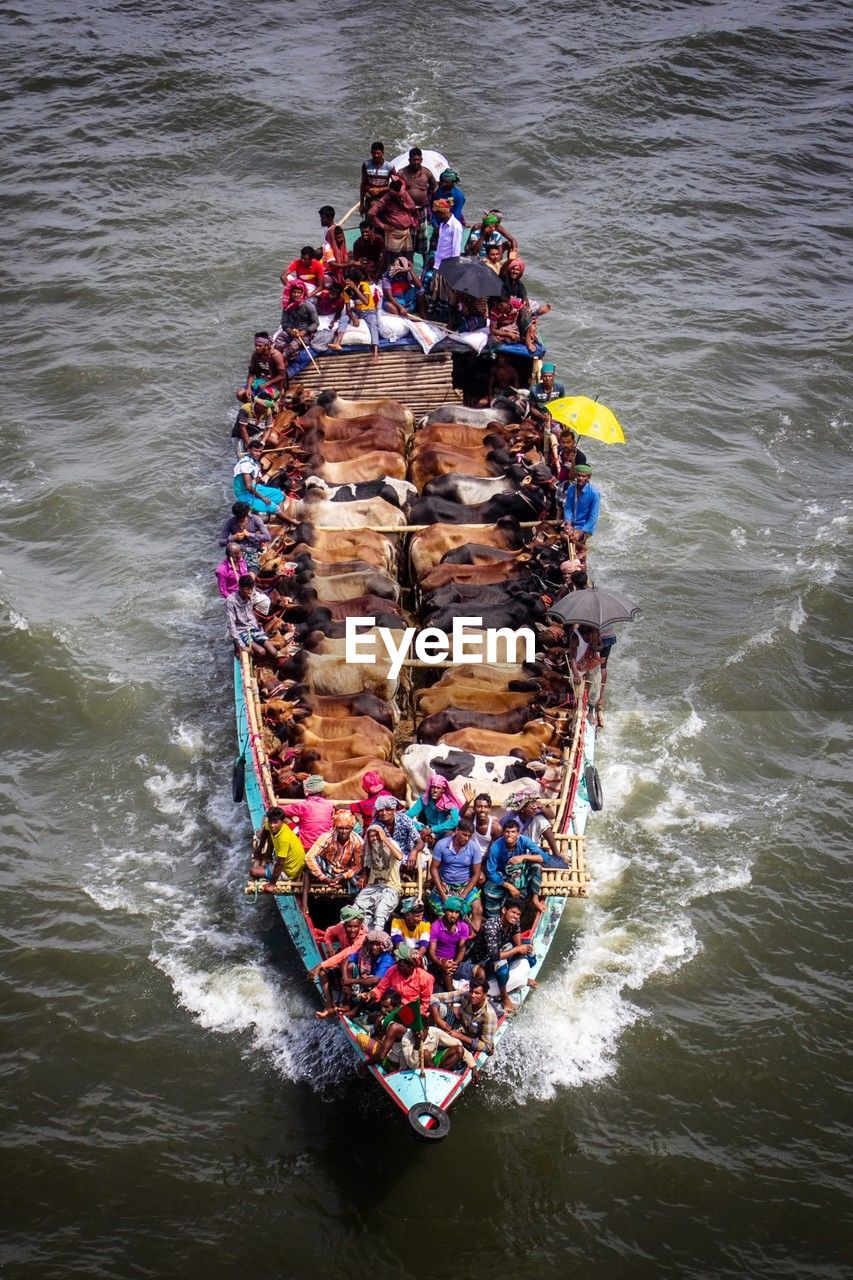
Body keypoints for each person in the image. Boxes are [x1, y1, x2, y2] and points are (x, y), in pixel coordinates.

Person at [359, 943, 435, 1063]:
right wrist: (369, 995)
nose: (397, 964)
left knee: (393, 1027)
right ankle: (381, 1043)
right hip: (395, 1009)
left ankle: (382, 1056)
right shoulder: (393, 971)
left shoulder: (426, 978)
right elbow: (380, 989)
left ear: (410, 965)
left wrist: (413, 1021)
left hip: (413, 1014)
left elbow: (424, 1005)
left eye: (400, 962)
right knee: (376, 1019)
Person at [465, 901, 533, 1014]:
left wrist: (522, 949)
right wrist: (517, 950)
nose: (515, 916)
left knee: (530, 949)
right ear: (504, 910)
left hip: (501, 950)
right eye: (513, 912)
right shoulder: (491, 926)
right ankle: (504, 997)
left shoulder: (515, 922)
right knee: (501, 965)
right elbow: (494, 955)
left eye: (518, 914)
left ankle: (524, 978)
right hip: (483, 960)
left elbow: (518, 943)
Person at [309, 904, 367, 1017]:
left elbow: (346, 954)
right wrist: (329, 944)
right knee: (322, 972)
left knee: (348, 966)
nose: (352, 930)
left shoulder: (362, 937)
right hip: (341, 963)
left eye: (356, 927)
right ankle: (330, 1005)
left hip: (356, 968)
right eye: (349, 927)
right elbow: (329, 932)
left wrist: (320, 965)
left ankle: (347, 1003)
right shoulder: (340, 928)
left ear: (360, 926)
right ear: (344, 925)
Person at [482, 814, 546, 916]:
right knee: (488, 891)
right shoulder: (496, 847)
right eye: (507, 832)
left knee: (536, 866)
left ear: (518, 833)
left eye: (513, 832)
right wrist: (509, 886)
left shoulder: (524, 840)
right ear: (503, 833)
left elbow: (543, 857)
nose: (510, 835)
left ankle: (535, 899)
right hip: (502, 875)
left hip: (519, 872)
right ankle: (494, 918)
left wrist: (523, 857)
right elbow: (491, 872)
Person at [428, 821, 484, 928]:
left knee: (478, 909)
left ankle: (472, 941)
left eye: (469, 836)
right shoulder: (442, 845)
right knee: (443, 916)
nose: (467, 838)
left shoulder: (474, 848)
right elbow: (434, 868)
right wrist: (442, 893)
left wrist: (464, 895)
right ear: (457, 831)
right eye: (464, 835)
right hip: (445, 885)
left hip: (465, 885)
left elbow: (476, 874)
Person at [431, 976, 497, 1058]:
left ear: (484, 995)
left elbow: (487, 1047)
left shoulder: (489, 1016)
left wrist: (459, 1036)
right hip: (457, 1026)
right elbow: (435, 997)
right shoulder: (466, 994)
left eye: (477, 993)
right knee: (439, 1008)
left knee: (458, 1054)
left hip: (469, 1041)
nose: (472, 995)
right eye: (471, 991)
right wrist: (437, 1019)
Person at [353, 823, 403, 930]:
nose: (374, 838)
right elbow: (366, 864)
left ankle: (376, 939)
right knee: (357, 908)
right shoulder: (369, 848)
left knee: (380, 912)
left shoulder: (391, 843)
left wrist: (384, 839)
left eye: (376, 835)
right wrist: (364, 874)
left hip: (390, 887)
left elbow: (399, 856)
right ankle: (363, 937)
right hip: (373, 886)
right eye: (371, 836)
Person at [225, 574, 279, 662]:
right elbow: (231, 624)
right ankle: (258, 661)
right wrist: (242, 646)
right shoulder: (230, 601)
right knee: (261, 652)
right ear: (240, 588)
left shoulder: (252, 593)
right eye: (247, 589)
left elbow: (252, 609)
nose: (250, 592)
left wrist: (256, 622)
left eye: (251, 589)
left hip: (253, 627)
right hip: (241, 630)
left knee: (274, 652)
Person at [305, 808, 363, 890]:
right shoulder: (326, 837)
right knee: (309, 866)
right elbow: (309, 857)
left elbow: (358, 865)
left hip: (345, 871)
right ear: (335, 827)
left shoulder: (358, 841)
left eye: (347, 828)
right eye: (340, 828)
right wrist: (323, 878)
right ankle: (305, 902)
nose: (343, 831)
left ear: (352, 828)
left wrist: (344, 876)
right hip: (327, 868)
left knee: (358, 878)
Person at [232, 438, 289, 517]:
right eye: (255, 451)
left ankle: (279, 516)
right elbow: (248, 487)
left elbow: (256, 482)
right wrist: (263, 498)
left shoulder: (254, 461)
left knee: (279, 493)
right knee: (273, 507)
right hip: (244, 494)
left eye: (260, 451)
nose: (258, 454)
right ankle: (291, 522)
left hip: (256, 487)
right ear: (249, 450)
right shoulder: (245, 464)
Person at [396, 147, 437, 259]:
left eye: (418, 160)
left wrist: (427, 196)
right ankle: (409, 263)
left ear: (421, 160)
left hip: (422, 210)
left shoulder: (427, 173)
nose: (415, 162)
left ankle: (425, 264)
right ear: (409, 160)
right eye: (413, 160)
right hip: (407, 211)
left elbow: (434, 187)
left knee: (423, 237)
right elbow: (395, 191)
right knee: (409, 238)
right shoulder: (401, 173)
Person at [340, 929, 395, 1008]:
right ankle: (347, 1002)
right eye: (372, 944)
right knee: (350, 966)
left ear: (383, 945)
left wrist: (349, 981)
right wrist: (345, 980)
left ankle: (358, 1007)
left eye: (377, 945)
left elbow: (375, 980)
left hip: (379, 987)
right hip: (363, 981)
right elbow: (346, 960)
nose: (373, 947)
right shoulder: (365, 951)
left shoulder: (387, 959)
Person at [251, 805, 306, 883]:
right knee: (270, 832)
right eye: (270, 822)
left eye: (276, 822)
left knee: (253, 871)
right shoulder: (271, 824)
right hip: (288, 863)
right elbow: (265, 831)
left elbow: (280, 863)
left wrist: (272, 884)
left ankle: (274, 872)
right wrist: (259, 849)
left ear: (282, 822)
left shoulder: (284, 839)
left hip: (289, 871)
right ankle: (268, 856)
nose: (272, 825)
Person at [370, 174, 418, 263]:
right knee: (393, 259)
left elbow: (412, 206)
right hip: (393, 232)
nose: (396, 196)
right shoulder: (385, 200)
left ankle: (406, 274)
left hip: (406, 231)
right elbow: (371, 213)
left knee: (408, 257)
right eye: (394, 195)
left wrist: (404, 205)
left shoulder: (404, 193)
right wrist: (381, 225)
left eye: (397, 194)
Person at [371, 794, 424, 872]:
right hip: (384, 856)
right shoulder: (375, 824)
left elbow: (420, 842)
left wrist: (414, 852)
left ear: (394, 810)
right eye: (381, 810)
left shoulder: (404, 820)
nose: (384, 813)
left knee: (417, 864)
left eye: (387, 809)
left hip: (406, 854)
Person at [427, 896, 471, 990]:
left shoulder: (463, 927)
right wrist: (440, 964)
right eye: (451, 911)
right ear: (445, 911)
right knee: (447, 968)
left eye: (457, 912)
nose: (453, 915)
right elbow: (431, 952)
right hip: (438, 963)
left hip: (455, 963)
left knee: (479, 971)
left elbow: (462, 948)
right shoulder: (436, 926)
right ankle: (451, 997)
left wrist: (456, 962)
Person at [280, 775, 335, 849]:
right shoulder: (329, 805)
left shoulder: (302, 805)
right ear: (321, 790)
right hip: (324, 845)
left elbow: (279, 810)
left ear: (307, 791)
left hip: (305, 845)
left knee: (279, 815)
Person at [218, 502, 272, 575]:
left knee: (253, 568)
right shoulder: (230, 522)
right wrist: (233, 538)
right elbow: (221, 542)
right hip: (237, 552)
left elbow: (267, 537)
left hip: (253, 550)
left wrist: (250, 535)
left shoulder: (255, 519)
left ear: (247, 513)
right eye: (239, 518)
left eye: (243, 517)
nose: (241, 520)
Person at [341, 267, 380, 363]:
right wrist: (353, 318)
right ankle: (338, 342)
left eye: (349, 280)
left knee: (373, 325)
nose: (347, 281)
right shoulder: (347, 289)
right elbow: (348, 308)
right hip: (357, 311)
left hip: (369, 311)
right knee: (344, 318)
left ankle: (375, 353)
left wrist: (355, 288)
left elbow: (366, 302)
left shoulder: (364, 286)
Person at [407, 773, 461, 839]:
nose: (435, 790)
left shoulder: (449, 802)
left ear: (443, 790)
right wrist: (420, 828)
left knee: (451, 837)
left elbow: (455, 821)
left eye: (438, 788)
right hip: (427, 831)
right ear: (430, 788)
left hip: (444, 832)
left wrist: (432, 829)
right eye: (433, 787)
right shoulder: (424, 799)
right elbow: (407, 816)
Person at [276, 280, 319, 360]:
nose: (296, 295)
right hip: (293, 330)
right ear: (290, 293)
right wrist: (290, 331)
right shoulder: (287, 306)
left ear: (302, 293)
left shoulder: (309, 306)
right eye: (294, 292)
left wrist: (304, 331)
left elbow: (316, 323)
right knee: (279, 339)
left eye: (298, 292)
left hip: (307, 333)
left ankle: (281, 359)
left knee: (294, 345)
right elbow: (284, 322)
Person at [570, 625, 603, 725]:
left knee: (596, 685)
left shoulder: (595, 631)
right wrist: (575, 674)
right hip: (579, 665)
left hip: (592, 663)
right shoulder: (575, 635)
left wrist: (596, 647)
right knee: (573, 685)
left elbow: (601, 645)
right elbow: (572, 658)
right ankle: (575, 709)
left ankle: (590, 711)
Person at [459, 786, 502, 858]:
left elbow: (494, 850)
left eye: (486, 807)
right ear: (474, 809)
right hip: (467, 854)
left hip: (482, 858)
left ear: (489, 809)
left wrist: (482, 863)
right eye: (479, 806)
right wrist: (467, 802)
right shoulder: (472, 817)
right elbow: (461, 814)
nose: (482, 810)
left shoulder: (495, 828)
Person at [563, 463, 601, 544]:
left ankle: (584, 549)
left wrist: (581, 532)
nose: (580, 478)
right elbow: (568, 508)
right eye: (578, 475)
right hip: (572, 524)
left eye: (583, 476)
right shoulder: (571, 489)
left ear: (588, 477)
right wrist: (568, 523)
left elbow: (593, 517)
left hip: (584, 527)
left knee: (573, 540)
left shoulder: (594, 493)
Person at [244, 332, 287, 399]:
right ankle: (251, 401)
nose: (257, 348)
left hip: (275, 385)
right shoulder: (255, 355)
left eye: (260, 345)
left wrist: (267, 384)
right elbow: (251, 373)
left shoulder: (276, 356)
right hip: (260, 381)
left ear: (267, 346)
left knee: (263, 395)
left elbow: (282, 375)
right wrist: (248, 388)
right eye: (256, 345)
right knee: (240, 393)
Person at [360, 140, 395, 214]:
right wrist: (361, 203)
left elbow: (395, 186)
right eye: (374, 153)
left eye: (378, 153)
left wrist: (380, 190)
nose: (376, 155)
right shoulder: (366, 165)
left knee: (382, 223)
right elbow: (363, 184)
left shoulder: (389, 166)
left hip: (384, 200)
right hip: (370, 200)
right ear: (371, 153)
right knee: (369, 222)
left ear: (383, 153)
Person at [431, 198, 464, 272]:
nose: (437, 216)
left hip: (447, 266)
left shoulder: (456, 226)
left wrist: (453, 268)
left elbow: (456, 249)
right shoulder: (442, 224)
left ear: (442, 212)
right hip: (438, 263)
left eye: (437, 213)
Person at [318, 205, 348, 277]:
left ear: (330, 218)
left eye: (322, 218)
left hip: (330, 266)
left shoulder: (331, 231)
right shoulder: (332, 229)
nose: (321, 220)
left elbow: (335, 249)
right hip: (328, 260)